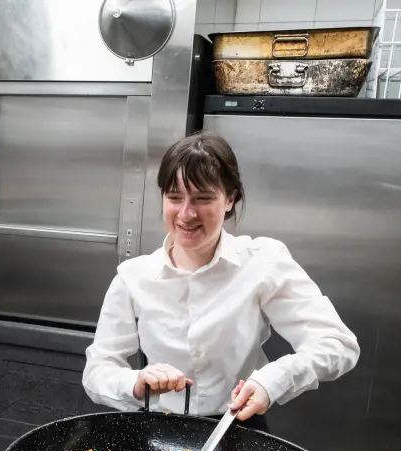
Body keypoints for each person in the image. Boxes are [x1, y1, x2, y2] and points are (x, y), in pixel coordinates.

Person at [82, 132, 360, 430]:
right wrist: (135, 382)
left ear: (230, 199)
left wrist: (272, 380)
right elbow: (98, 371)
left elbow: (338, 344)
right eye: (174, 197)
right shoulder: (133, 276)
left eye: (203, 199)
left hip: (238, 428)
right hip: (158, 431)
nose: (186, 213)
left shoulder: (264, 261)